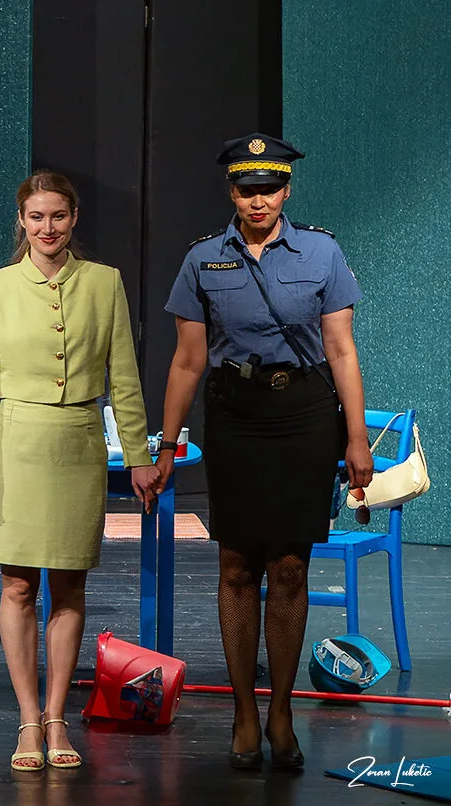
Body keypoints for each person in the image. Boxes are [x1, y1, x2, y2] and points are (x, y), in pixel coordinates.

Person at [155, 134, 371, 771]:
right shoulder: (203, 259)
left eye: (269, 188)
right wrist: (166, 443)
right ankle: (245, 711)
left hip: (304, 416)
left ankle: (281, 709)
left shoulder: (322, 251)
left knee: (292, 566)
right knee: (237, 566)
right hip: (236, 416)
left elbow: (341, 350)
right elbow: (188, 360)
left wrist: (356, 437)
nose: (258, 200)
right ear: (231, 191)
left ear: (286, 190)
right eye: (247, 189)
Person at [0, 170, 160, 772]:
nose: (47, 228)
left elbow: (123, 375)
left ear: (73, 218)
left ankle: (56, 717)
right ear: (21, 222)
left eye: (57, 216)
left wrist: (138, 455)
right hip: (16, 448)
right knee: (18, 585)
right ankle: (28, 719)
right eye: (36, 217)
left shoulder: (104, 282)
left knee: (71, 585)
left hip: (78, 444)